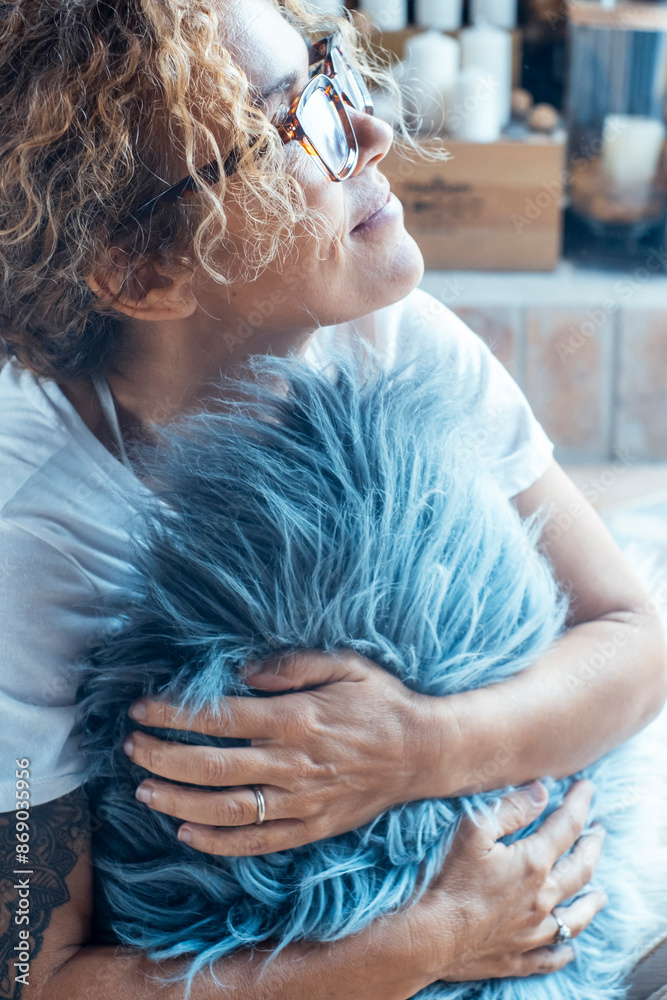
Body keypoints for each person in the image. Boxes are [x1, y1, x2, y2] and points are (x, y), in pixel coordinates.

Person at [0, 1, 665, 998]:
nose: (369, 130)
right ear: (141, 271)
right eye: (286, 127)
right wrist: (429, 939)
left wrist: (419, 749)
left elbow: (632, 633)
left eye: (326, 76)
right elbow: (30, 971)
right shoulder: (34, 534)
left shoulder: (397, 339)